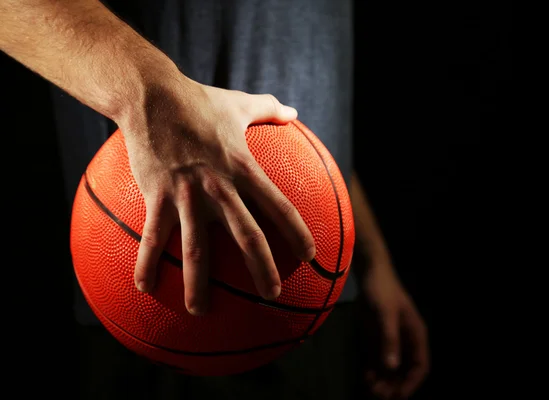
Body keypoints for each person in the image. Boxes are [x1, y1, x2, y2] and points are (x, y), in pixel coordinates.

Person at [0, 1, 429, 399]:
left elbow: (283, 131)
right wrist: (149, 96)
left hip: (319, 303)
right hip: (158, 300)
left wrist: (372, 261)